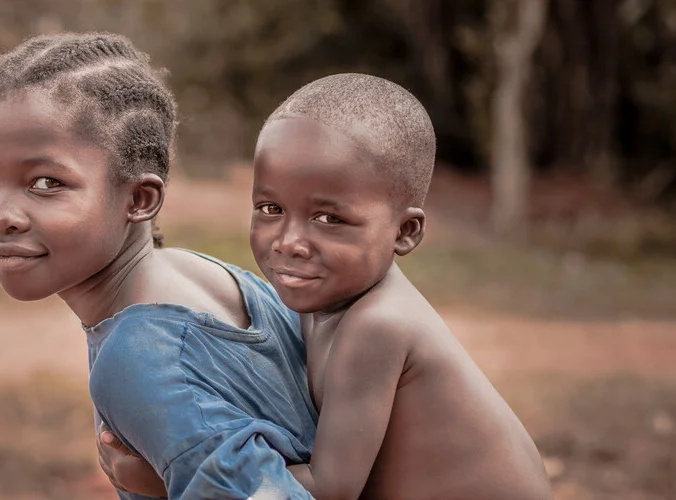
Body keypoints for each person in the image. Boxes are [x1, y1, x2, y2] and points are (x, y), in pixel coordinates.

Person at [101, 74, 554, 500]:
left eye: (329, 219)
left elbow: (331, 488)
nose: (289, 242)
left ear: (405, 232)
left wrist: (167, 478)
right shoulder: (315, 306)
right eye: (270, 208)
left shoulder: (378, 324)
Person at [0, 32, 318, 499]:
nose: (0, 215)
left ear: (139, 198)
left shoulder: (138, 358)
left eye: (46, 182)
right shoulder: (207, 274)